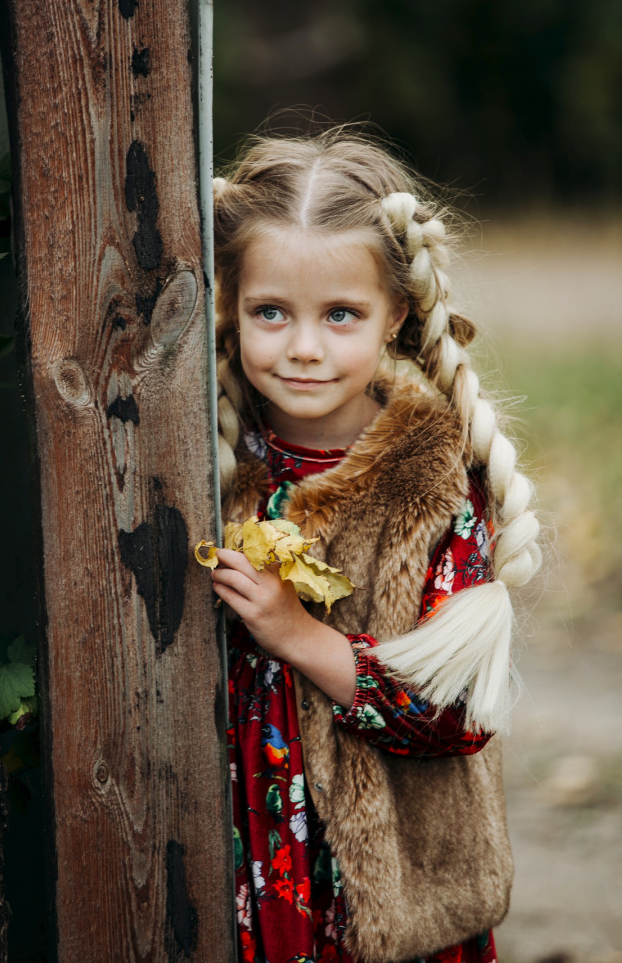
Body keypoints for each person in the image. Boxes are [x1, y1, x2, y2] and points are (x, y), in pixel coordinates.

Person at [206, 127, 541, 963]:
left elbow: (455, 710)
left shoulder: (433, 483)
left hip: (382, 884)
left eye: (341, 315)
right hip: (238, 855)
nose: (304, 347)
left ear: (395, 314)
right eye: (270, 312)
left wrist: (297, 635)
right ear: (230, 305)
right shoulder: (200, 461)